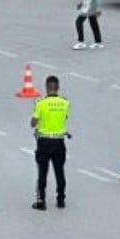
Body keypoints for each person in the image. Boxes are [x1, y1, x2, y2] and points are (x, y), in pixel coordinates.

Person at [31, 76, 70, 211]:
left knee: (42, 172)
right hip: (59, 142)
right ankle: (61, 200)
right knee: (60, 172)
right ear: (58, 87)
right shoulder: (65, 102)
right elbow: (65, 117)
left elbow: (33, 123)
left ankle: (41, 202)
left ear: (46, 87)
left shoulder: (40, 103)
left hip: (44, 142)